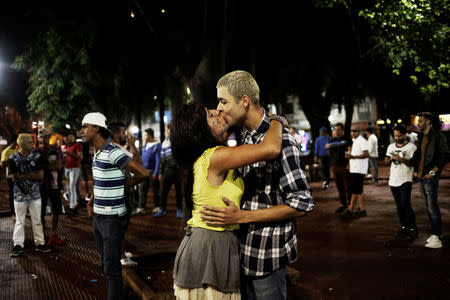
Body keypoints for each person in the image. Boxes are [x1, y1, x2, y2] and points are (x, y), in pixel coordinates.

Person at [202, 70, 314, 300]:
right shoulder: (245, 135)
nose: (219, 107)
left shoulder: (283, 141)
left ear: (244, 101)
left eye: (223, 101)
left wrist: (241, 217)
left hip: (267, 257)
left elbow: (303, 203)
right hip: (242, 254)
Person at [170, 101, 284, 299]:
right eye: (211, 116)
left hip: (215, 244)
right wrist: (277, 120)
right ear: (202, 132)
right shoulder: (215, 157)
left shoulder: (211, 157)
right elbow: (272, 148)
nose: (218, 111)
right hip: (210, 249)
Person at [81, 112, 148, 300]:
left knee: (112, 269)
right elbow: (99, 181)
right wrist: (92, 199)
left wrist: (120, 185)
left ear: (96, 128)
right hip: (99, 217)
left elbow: (143, 173)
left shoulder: (113, 152)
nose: (82, 131)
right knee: (105, 264)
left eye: (85, 126)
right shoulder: (98, 153)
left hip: (112, 219)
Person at [8, 133, 51, 256]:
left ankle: (40, 243)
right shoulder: (12, 158)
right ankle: (17, 244)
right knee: (19, 221)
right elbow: (14, 178)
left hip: (34, 195)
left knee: (37, 220)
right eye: (30, 142)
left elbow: (40, 175)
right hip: (19, 196)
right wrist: (31, 175)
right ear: (22, 144)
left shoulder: (38, 156)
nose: (33, 144)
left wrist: (23, 176)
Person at [411, 112, 449, 249]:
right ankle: (435, 234)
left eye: (420, 120)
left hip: (429, 177)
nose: (418, 123)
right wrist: (416, 169)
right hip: (421, 177)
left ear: (428, 121)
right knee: (428, 207)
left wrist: (433, 172)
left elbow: (445, 155)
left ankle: (437, 235)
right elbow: (418, 155)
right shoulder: (422, 137)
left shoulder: (438, 136)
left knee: (433, 207)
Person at [108, 121, 142, 267]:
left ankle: (120, 252)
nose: (125, 135)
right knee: (120, 224)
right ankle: (121, 257)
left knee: (121, 224)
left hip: (116, 192)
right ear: (116, 134)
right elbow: (139, 163)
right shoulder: (118, 150)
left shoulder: (111, 148)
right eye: (123, 133)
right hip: (121, 192)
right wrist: (133, 145)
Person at [385, 124, 418, 241]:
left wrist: (400, 159)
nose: (397, 138)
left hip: (405, 180)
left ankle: (413, 228)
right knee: (399, 206)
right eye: (395, 136)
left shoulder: (411, 147)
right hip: (393, 180)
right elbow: (385, 161)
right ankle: (404, 226)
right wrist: (390, 159)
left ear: (404, 135)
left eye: (399, 136)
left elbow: (412, 163)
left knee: (406, 204)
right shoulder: (390, 146)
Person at [36, 128, 66, 245]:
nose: (44, 139)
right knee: (41, 211)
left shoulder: (56, 150)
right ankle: (43, 236)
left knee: (56, 210)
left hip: (54, 184)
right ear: (39, 138)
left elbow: (58, 166)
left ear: (49, 137)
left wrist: (43, 165)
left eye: (46, 137)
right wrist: (49, 165)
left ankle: (53, 234)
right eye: (42, 137)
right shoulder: (36, 151)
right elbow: (35, 167)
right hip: (41, 185)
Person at [342, 125, 369, 219]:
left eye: (355, 131)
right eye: (351, 131)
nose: (352, 133)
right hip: (355, 169)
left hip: (359, 169)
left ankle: (362, 210)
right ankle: (352, 210)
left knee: (358, 191)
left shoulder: (362, 141)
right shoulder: (356, 141)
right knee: (355, 191)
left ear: (359, 132)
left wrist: (353, 157)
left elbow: (366, 154)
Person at [158, 121, 183, 219]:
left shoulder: (180, 140)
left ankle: (179, 209)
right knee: (163, 191)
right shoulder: (164, 142)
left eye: (171, 129)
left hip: (178, 170)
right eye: (168, 129)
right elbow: (162, 159)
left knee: (179, 191)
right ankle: (162, 210)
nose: (169, 131)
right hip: (167, 170)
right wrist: (160, 172)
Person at [326, 123, 352, 213]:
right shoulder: (333, 140)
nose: (337, 131)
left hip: (345, 166)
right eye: (335, 129)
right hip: (335, 167)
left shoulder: (347, 139)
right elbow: (331, 154)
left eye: (338, 129)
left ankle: (350, 205)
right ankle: (343, 204)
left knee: (347, 187)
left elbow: (348, 149)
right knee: (339, 187)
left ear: (342, 130)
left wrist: (349, 164)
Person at [136, 128, 161, 216]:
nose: (144, 136)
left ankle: (157, 206)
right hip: (144, 171)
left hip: (152, 172)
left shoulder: (157, 145)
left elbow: (158, 160)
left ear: (149, 135)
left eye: (145, 135)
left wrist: (155, 172)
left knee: (155, 190)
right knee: (143, 189)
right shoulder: (145, 145)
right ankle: (141, 207)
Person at [63, 132, 83, 215]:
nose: (66, 139)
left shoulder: (77, 145)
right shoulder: (67, 145)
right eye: (65, 138)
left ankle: (73, 206)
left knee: (72, 187)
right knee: (68, 187)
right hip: (67, 168)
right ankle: (72, 204)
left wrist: (70, 153)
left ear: (73, 137)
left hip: (74, 168)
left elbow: (81, 157)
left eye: (68, 137)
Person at [1, 134, 19, 218]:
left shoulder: (18, 149)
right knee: (13, 192)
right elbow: (2, 164)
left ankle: (19, 211)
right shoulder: (6, 151)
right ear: (14, 141)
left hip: (19, 174)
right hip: (10, 175)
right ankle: (13, 212)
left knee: (20, 193)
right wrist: (9, 163)